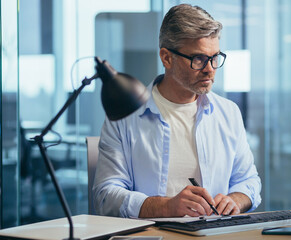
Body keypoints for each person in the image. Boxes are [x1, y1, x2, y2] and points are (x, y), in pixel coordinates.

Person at [93, 3, 261, 218]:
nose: (209, 69)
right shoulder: (125, 118)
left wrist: (235, 199)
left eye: (215, 57)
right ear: (166, 58)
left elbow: (249, 181)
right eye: (198, 59)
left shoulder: (228, 113)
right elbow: (105, 196)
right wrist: (165, 207)